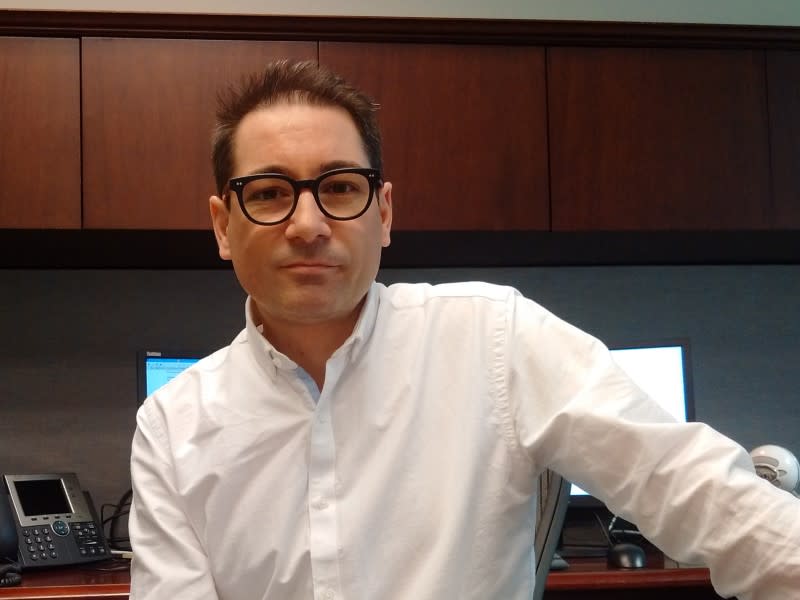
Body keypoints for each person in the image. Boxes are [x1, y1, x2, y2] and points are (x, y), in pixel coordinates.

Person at [128, 59, 799, 600]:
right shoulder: (174, 427)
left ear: (383, 213)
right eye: (270, 192)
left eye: (339, 187)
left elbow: (694, 487)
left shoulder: (493, 338)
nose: (308, 224)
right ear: (222, 224)